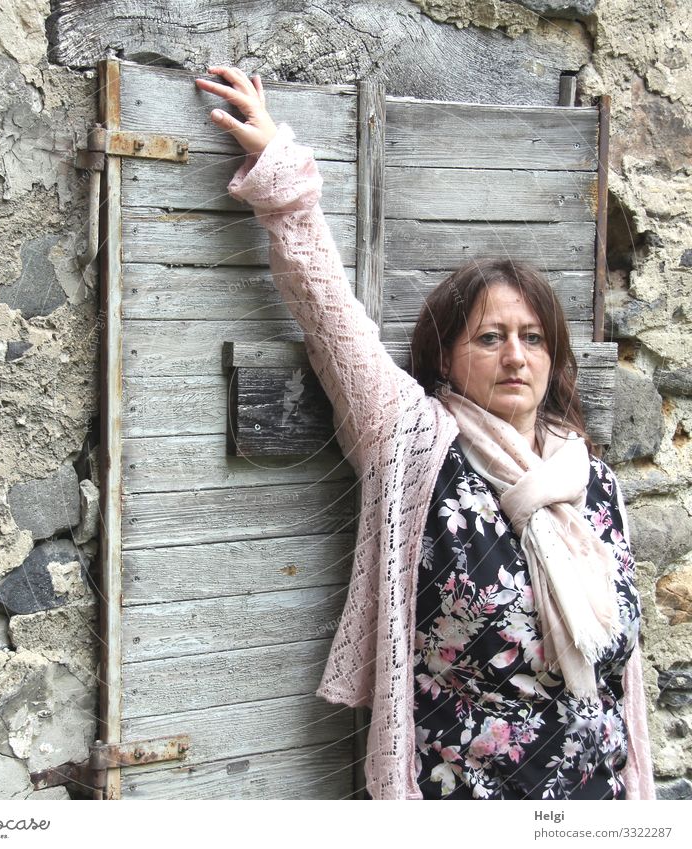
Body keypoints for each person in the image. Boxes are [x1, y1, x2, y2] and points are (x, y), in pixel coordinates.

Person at [194, 66, 655, 800]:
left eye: (533, 338)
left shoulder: (591, 480)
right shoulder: (414, 442)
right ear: (446, 356)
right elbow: (329, 312)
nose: (514, 356)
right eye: (490, 337)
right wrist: (278, 169)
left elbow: (619, 676)